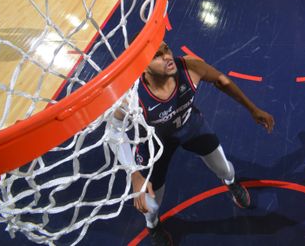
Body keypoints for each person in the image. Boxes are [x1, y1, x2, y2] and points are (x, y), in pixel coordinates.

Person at [114, 42, 275, 246]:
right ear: (142, 66)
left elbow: (221, 80)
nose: (167, 57)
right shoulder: (131, 97)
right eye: (157, 55)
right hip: (154, 145)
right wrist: (134, 173)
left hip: (190, 127)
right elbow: (113, 129)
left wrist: (252, 108)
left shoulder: (190, 67)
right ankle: (153, 225)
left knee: (224, 169)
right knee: (151, 203)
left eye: (166, 49)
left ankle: (231, 183)